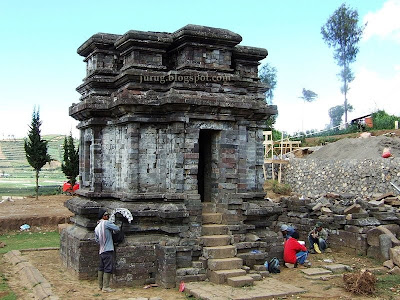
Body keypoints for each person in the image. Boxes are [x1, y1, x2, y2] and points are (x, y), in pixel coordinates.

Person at [95, 209, 120, 292]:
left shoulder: (97, 227)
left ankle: (100, 286)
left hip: (101, 250)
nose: (107, 217)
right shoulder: (106, 223)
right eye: (106, 215)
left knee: (101, 267)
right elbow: (117, 228)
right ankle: (106, 287)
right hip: (108, 249)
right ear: (103, 216)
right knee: (108, 268)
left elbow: (97, 240)